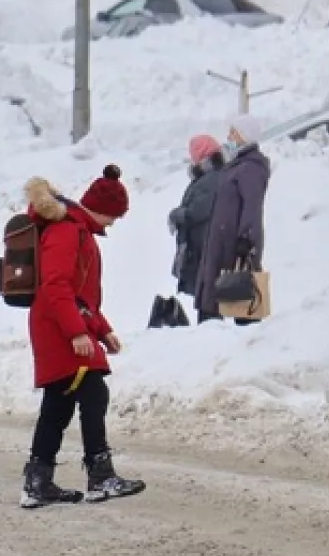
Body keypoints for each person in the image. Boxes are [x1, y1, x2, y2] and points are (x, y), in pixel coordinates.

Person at [20, 165, 147, 508]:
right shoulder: (67, 230)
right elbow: (57, 285)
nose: (114, 223)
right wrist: (77, 332)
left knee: (58, 404)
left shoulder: (76, 230)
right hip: (59, 327)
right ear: (101, 207)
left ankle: (38, 481)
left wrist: (103, 330)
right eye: (115, 216)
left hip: (61, 322)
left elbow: (81, 296)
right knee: (93, 393)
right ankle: (100, 476)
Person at [194, 115, 272, 324]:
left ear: (245, 136)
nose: (228, 136)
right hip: (221, 240)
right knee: (213, 298)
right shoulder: (237, 164)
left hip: (235, 243)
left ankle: (245, 340)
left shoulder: (251, 167)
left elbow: (252, 206)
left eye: (233, 132)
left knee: (242, 297)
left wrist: (246, 239)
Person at [159, 134, 225, 326]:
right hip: (203, 244)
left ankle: (210, 334)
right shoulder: (210, 177)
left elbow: (199, 210)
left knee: (208, 298)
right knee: (205, 295)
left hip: (204, 245)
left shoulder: (211, 179)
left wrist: (176, 215)